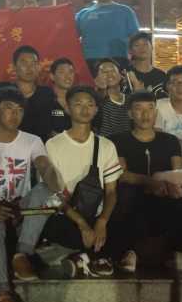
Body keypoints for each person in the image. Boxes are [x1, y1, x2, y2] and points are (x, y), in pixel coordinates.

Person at [0, 87, 61, 302]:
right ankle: (3, 296)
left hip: (22, 208)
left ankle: (22, 253)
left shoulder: (32, 140)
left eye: (19, 110)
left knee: (44, 189)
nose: (14, 114)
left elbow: (44, 166)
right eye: (9, 108)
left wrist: (55, 184)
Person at [41, 85, 128, 278]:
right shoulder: (53, 145)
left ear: (96, 109)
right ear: (67, 108)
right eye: (78, 104)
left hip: (95, 214)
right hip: (66, 214)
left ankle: (78, 258)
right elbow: (52, 194)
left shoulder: (106, 145)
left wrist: (102, 222)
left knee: (123, 220)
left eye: (90, 104)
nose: (85, 109)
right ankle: (96, 256)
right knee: (59, 227)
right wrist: (81, 223)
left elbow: (111, 192)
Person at [112, 91, 182, 273]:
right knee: (124, 192)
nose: (145, 114)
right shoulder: (118, 140)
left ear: (156, 113)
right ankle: (129, 253)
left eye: (150, 109)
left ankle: (176, 253)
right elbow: (122, 173)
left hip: (164, 193)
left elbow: (177, 170)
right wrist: (149, 182)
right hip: (135, 194)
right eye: (139, 109)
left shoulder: (170, 141)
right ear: (130, 113)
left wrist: (177, 185)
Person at [75, 0, 139, 72]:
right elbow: (70, 39)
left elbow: (136, 40)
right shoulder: (82, 14)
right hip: (89, 62)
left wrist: (136, 60)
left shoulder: (126, 11)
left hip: (119, 60)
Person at [0, 45, 56, 142]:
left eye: (33, 63)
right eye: (24, 63)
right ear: (14, 66)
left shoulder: (46, 93)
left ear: (38, 67)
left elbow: (52, 122)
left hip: (40, 147)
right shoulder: (3, 90)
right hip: (8, 146)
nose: (29, 68)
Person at [92, 58, 131, 140]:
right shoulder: (94, 101)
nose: (109, 74)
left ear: (121, 75)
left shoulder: (130, 99)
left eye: (113, 70)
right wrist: (102, 90)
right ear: (96, 78)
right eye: (104, 72)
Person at [124, 32, 167, 98]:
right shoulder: (126, 75)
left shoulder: (161, 76)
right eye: (137, 45)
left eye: (145, 44)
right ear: (130, 51)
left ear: (152, 47)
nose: (142, 48)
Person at [49, 57, 74, 136]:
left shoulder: (78, 100)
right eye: (62, 72)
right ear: (52, 76)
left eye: (70, 72)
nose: (68, 76)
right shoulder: (46, 101)